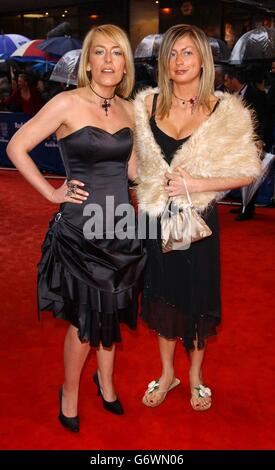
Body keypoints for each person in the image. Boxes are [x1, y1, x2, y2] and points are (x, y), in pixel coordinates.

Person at [7, 24, 146, 432]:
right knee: (84, 321)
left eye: (116, 53)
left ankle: (105, 382)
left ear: (125, 65)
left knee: (113, 313)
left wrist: (170, 173)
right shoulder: (67, 103)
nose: (107, 61)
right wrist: (52, 194)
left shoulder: (131, 109)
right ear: (87, 62)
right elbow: (17, 147)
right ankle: (69, 391)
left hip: (121, 225)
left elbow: (134, 170)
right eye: (99, 52)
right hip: (82, 230)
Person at [134, 24, 261, 411]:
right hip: (157, 221)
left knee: (197, 296)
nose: (178, 61)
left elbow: (248, 171)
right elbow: (134, 165)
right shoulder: (147, 105)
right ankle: (169, 373)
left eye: (187, 53)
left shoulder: (225, 110)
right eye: (172, 54)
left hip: (198, 223)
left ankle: (195, 376)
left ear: (203, 61)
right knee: (162, 297)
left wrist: (196, 180)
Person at [224, 66, 269, 220]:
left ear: (233, 79)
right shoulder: (232, 95)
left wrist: (260, 139)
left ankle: (248, 210)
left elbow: (264, 118)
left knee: (251, 174)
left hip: (255, 141)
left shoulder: (256, 94)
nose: (225, 83)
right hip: (239, 141)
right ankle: (244, 205)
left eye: (226, 80)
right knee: (242, 172)